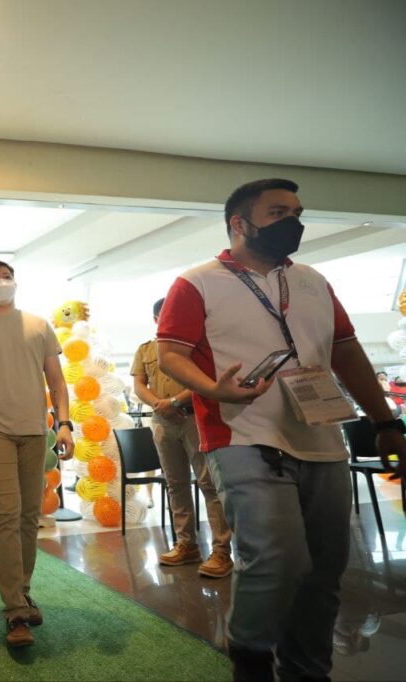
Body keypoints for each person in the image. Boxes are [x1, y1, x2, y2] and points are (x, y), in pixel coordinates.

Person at [157, 178, 406, 682]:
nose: (293, 222)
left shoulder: (313, 281)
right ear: (239, 223)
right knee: (276, 558)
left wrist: (384, 420)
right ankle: (249, 655)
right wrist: (213, 388)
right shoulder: (197, 282)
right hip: (240, 435)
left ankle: (307, 670)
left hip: (321, 437)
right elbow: (170, 354)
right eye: (277, 212)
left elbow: (346, 352)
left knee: (325, 567)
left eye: (296, 212)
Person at [0, 261, 75, 649]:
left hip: (35, 430)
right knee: (6, 515)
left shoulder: (39, 325)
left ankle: (22, 591)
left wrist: (65, 423)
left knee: (27, 517)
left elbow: (57, 380)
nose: (1, 283)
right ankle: (14, 610)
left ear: (15, 282)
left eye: (6, 277)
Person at [131, 298, 232, 577]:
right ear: (156, 319)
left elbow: (206, 382)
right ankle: (186, 545)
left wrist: (174, 401)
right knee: (175, 484)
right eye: (165, 316)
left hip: (195, 418)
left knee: (209, 483)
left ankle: (222, 551)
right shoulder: (146, 349)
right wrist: (158, 404)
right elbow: (138, 384)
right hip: (162, 422)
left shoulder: (196, 347)